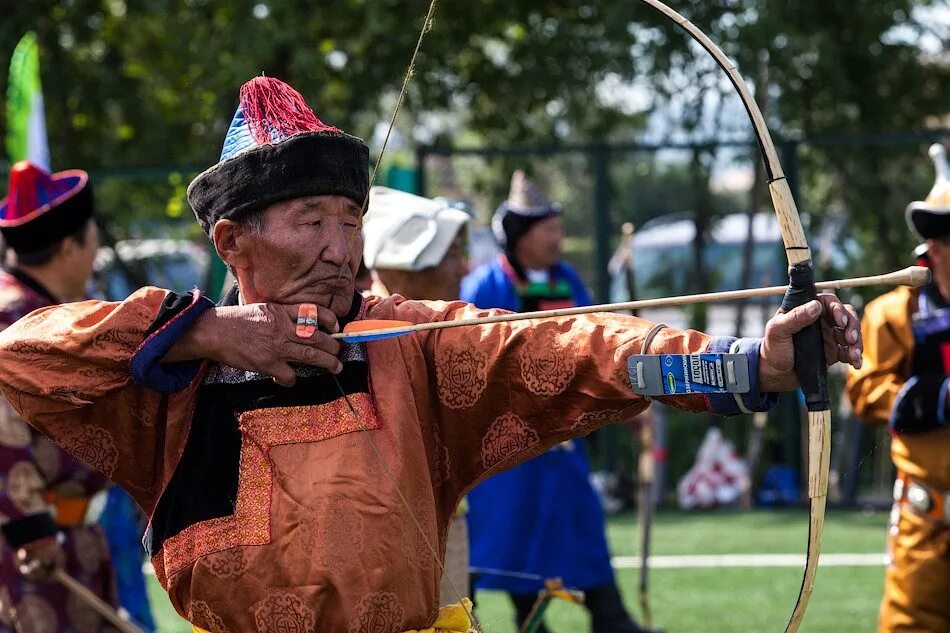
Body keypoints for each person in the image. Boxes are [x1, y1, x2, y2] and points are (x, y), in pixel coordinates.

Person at [0, 76, 861, 633]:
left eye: (351, 220)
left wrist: (746, 363)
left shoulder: (404, 340)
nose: (342, 249)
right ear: (233, 240)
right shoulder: (168, 373)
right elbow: (17, 352)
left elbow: (564, 346)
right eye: (312, 222)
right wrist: (210, 332)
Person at [460, 171, 651, 632]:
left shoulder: (567, 280)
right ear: (522, 237)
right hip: (509, 446)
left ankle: (612, 619)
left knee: (581, 529)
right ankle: (529, 620)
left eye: (560, 230)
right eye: (550, 230)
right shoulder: (486, 287)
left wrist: (625, 393)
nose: (558, 239)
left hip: (564, 440)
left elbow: (595, 342)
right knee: (513, 535)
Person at [0, 160, 121, 631]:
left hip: (72, 539)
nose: (95, 253)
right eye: (91, 239)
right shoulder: (14, 321)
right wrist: (32, 530)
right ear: (70, 246)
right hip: (30, 554)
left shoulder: (45, 313)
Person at [846, 143, 950, 632]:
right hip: (927, 519)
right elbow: (864, 391)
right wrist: (936, 398)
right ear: (930, 245)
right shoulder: (893, 312)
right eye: (943, 235)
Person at [363, 186, 472, 606]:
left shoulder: (438, 328)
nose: (463, 267)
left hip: (443, 518)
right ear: (408, 267)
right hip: (384, 536)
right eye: (450, 253)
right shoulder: (369, 332)